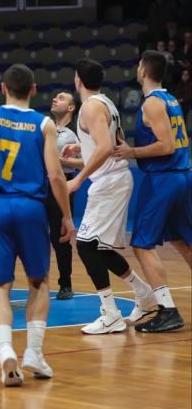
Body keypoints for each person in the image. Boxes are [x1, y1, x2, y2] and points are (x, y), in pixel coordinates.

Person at [0, 64, 75, 387]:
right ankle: (34, 353)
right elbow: (56, 176)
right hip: (31, 207)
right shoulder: (44, 124)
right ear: (33, 89)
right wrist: (67, 216)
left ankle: (4, 351)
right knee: (38, 281)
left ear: (2, 89)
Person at [63, 59, 155, 335]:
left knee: (86, 246)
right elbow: (109, 142)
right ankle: (144, 294)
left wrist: (77, 179)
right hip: (114, 179)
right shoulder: (106, 102)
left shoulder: (90, 107)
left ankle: (110, 313)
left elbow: (104, 146)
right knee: (99, 248)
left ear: (77, 80)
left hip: (109, 182)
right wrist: (80, 147)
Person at [113, 51, 191, 333]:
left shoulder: (154, 103)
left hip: (164, 178)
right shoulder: (171, 99)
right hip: (180, 176)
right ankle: (166, 308)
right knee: (183, 240)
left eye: (138, 65)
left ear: (144, 70)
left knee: (142, 244)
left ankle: (167, 309)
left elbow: (166, 145)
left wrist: (131, 151)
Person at [47, 92, 83, 299]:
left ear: (70, 108)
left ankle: (65, 284)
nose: (54, 99)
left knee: (59, 237)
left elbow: (87, 161)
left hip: (60, 187)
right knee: (24, 232)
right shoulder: (45, 126)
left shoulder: (74, 135)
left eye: (60, 98)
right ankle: (0, 279)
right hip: (37, 185)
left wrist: (64, 162)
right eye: (55, 97)